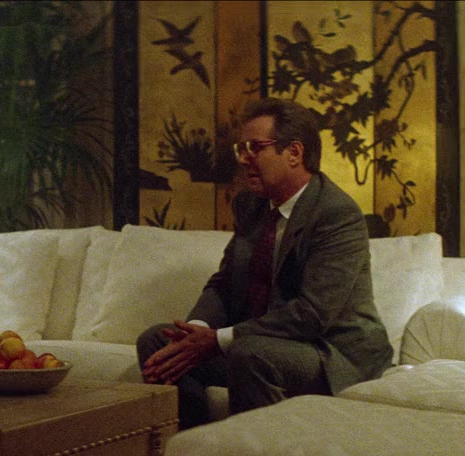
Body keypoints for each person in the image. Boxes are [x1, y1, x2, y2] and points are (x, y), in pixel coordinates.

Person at [136, 98, 391, 430]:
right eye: (241, 149)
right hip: (261, 344)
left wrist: (218, 339)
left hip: (330, 352)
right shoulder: (252, 205)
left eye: (255, 148)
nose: (244, 159)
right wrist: (195, 330)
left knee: (250, 354)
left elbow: (313, 314)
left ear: (294, 153)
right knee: (157, 343)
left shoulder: (336, 214)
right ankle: (195, 445)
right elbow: (224, 283)